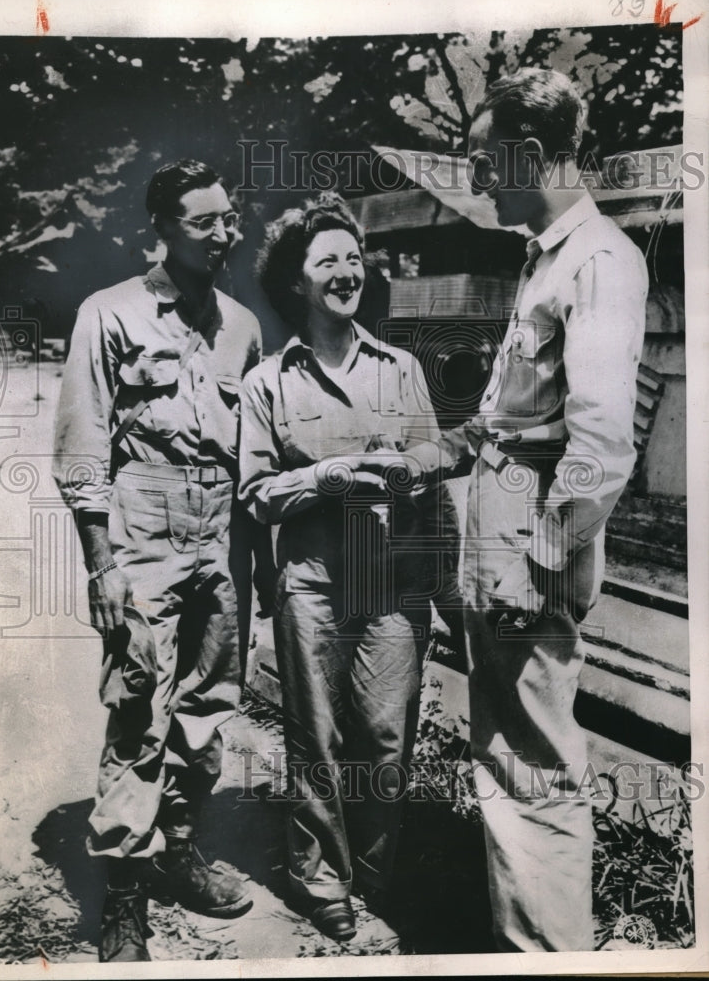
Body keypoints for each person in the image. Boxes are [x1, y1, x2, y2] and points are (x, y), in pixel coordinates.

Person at [354, 68, 648, 951]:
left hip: (530, 547)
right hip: (504, 530)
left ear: (527, 153)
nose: (478, 181)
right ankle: (524, 939)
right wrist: (430, 454)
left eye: (485, 162)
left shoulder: (599, 262)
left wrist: (539, 562)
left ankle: (550, 956)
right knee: (507, 756)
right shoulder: (547, 258)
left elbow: (600, 449)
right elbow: (510, 415)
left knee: (533, 769)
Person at [53, 159, 269, 962]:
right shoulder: (109, 314)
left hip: (224, 527)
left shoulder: (242, 326)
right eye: (205, 221)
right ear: (163, 228)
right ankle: (121, 894)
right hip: (145, 517)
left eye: (229, 218)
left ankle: (179, 846)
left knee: (210, 702)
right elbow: (82, 452)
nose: (225, 233)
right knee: (140, 701)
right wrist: (103, 568)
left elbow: (256, 449)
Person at [238, 194, 460, 942]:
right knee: (317, 736)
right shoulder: (269, 381)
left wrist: (416, 473)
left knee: (387, 736)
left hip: (392, 578)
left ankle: (373, 874)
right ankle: (320, 877)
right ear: (296, 281)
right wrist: (324, 478)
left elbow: (435, 466)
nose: (345, 272)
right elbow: (256, 494)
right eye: (326, 260)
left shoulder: (401, 369)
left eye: (354, 259)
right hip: (314, 578)